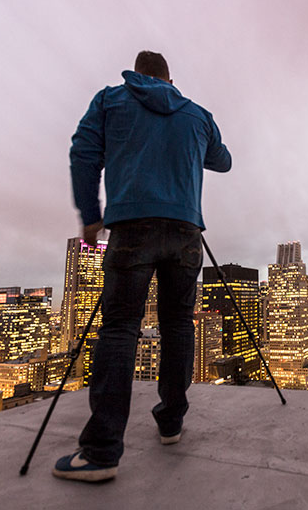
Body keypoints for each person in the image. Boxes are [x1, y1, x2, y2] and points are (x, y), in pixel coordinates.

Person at [55, 50, 232, 482]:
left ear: (136, 74)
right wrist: (188, 142)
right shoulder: (198, 115)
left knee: (119, 328)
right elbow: (223, 160)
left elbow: (83, 153)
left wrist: (90, 215)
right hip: (187, 231)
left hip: (131, 226)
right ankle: (171, 423)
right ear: (171, 79)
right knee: (177, 325)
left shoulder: (111, 101)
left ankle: (101, 452)